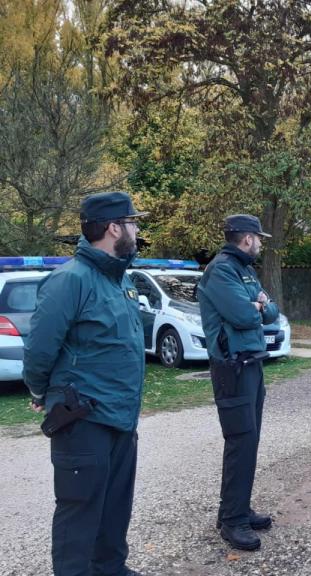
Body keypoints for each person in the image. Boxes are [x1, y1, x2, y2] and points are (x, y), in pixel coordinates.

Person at [23, 191, 148, 576]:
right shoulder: (70, 280)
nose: (137, 228)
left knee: (114, 509)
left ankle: (112, 569)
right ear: (113, 228)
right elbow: (40, 349)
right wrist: (41, 391)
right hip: (84, 419)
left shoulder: (119, 280)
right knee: (79, 514)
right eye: (132, 222)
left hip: (121, 417)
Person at [197, 214, 280, 551]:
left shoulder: (244, 270)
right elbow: (244, 315)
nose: (260, 244)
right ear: (247, 239)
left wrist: (259, 305)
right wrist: (257, 307)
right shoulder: (221, 270)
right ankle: (232, 521)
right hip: (232, 367)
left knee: (250, 440)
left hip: (250, 364)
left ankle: (236, 509)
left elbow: (270, 310)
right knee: (240, 442)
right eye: (258, 238)